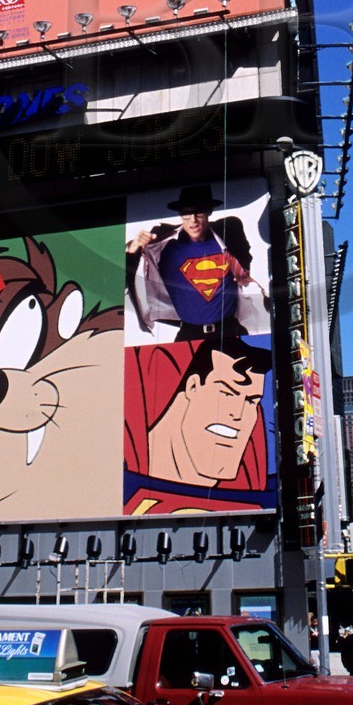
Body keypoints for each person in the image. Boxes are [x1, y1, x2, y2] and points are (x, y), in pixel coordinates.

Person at [123, 335, 274, 513]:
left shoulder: (269, 494)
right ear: (192, 386)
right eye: (226, 393)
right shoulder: (120, 482)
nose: (238, 413)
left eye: (251, 401)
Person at [125, 183, 266, 338]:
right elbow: (125, 276)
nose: (193, 220)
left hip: (230, 330)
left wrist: (245, 273)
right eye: (186, 213)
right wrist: (133, 248)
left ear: (209, 211)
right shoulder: (163, 245)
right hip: (189, 334)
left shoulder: (229, 233)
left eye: (199, 213)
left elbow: (247, 260)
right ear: (180, 214)